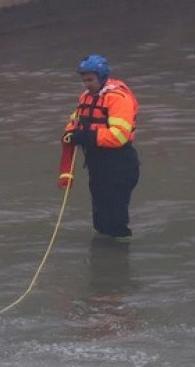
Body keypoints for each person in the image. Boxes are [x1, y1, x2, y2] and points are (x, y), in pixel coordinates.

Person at [59, 54, 140, 241]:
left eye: (90, 80)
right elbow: (76, 120)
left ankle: (119, 256)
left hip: (119, 163)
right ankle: (102, 252)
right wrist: (71, 132)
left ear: (102, 77)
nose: (87, 84)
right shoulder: (86, 97)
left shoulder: (118, 99)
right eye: (84, 80)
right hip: (97, 164)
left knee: (115, 219)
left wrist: (86, 136)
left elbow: (119, 136)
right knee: (100, 218)